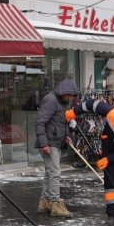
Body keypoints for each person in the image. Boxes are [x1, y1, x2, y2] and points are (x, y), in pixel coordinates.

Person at [35, 78, 80, 218]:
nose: (71, 98)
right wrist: (44, 144)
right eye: (69, 95)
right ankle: (56, 204)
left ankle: (45, 202)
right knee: (55, 172)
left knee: (50, 173)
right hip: (49, 143)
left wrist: (66, 135)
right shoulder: (51, 100)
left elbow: (60, 123)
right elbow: (40, 122)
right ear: (63, 92)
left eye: (72, 96)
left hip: (55, 141)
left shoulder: (62, 102)